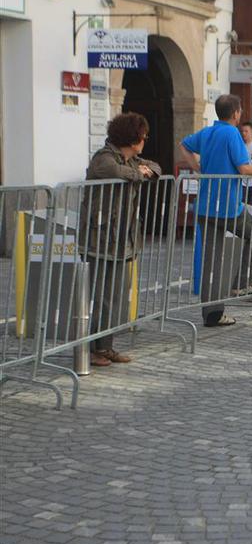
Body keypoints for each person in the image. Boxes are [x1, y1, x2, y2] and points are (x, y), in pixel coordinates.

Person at [180, 95, 252, 327]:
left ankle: (212, 315)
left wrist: (197, 167)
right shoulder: (232, 133)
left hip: (205, 206)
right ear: (236, 113)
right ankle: (242, 283)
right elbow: (243, 168)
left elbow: (183, 145)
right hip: (228, 207)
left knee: (211, 262)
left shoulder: (207, 132)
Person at [81, 112, 160, 366]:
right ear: (133, 138)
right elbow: (115, 171)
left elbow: (156, 167)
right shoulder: (104, 158)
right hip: (101, 237)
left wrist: (144, 170)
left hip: (122, 238)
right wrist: (139, 173)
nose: (145, 140)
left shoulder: (131, 159)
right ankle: (94, 350)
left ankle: (106, 346)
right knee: (102, 297)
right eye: (144, 136)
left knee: (115, 297)